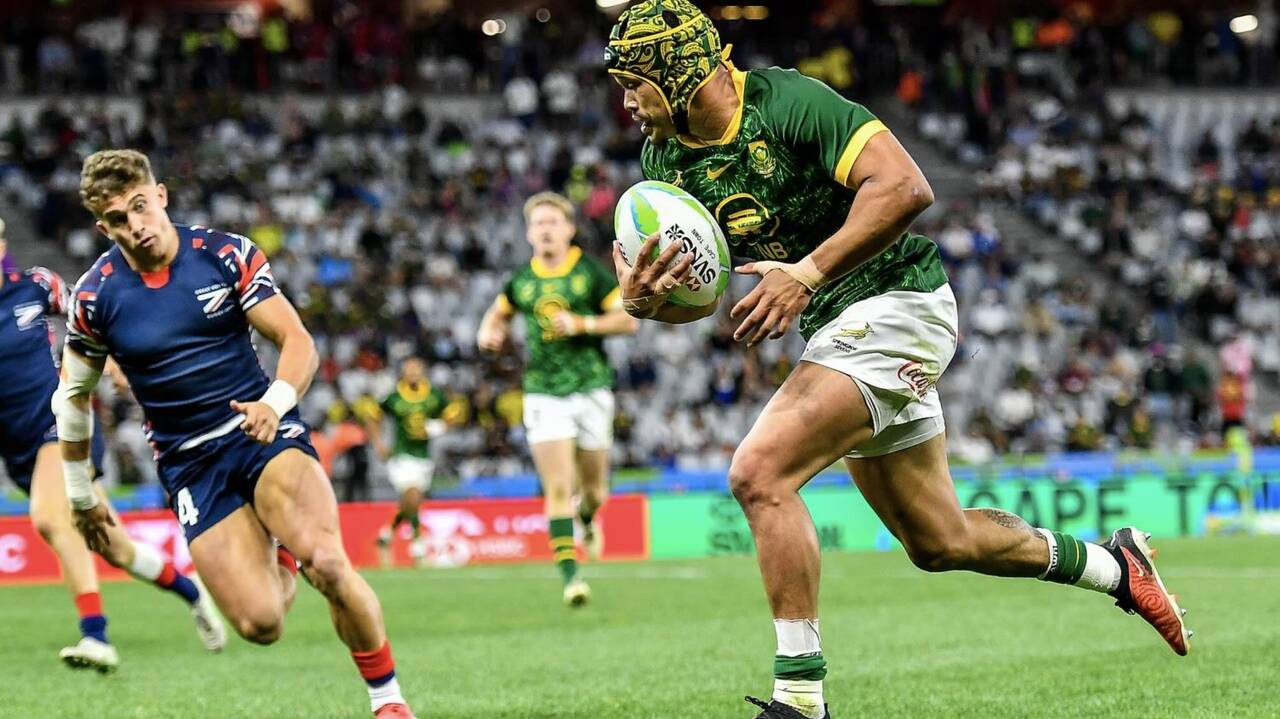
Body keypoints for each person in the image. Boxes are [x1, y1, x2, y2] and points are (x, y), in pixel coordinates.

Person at [605, 2, 1191, 717]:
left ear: (679, 73)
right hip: (837, 329)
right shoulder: (666, 163)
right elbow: (701, 295)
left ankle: (800, 697)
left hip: (899, 301)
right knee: (940, 541)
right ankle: (1115, 567)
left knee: (759, 473)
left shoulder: (787, 102)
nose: (625, 101)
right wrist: (646, 302)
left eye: (634, 83)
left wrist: (807, 273)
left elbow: (907, 187)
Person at [55, 150, 415, 718]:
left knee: (328, 562)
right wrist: (80, 495)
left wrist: (275, 402)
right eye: (119, 219)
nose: (136, 225)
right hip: (190, 464)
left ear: (161, 196)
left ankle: (388, 701)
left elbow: (298, 342)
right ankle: (285, 553)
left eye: (142, 206)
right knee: (260, 623)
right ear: (104, 228)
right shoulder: (96, 296)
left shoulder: (224, 254)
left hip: (261, 431)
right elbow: (72, 399)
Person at [0, 236, 224, 672]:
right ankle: (193, 592)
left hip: (61, 425)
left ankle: (96, 635)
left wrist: (119, 363)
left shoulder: (36, 285)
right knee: (115, 547)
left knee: (51, 518)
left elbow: (91, 320)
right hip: (18, 450)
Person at [476, 192, 637, 606]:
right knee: (558, 486)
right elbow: (498, 314)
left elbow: (627, 320)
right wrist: (487, 332)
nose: (545, 229)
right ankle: (571, 578)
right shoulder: (521, 280)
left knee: (594, 491)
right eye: (538, 223)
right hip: (544, 392)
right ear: (529, 233)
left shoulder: (590, 272)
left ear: (569, 229)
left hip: (591, 387)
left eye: (552, 222)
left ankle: (588, 517)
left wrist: (581, 324)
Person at [367, 357, 454, 566]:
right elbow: (372, 416)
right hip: (401, 455)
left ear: (423, 371)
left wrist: (439, 426)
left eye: (417, 369)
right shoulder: (394, 397)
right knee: (413, 496)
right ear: (403, 373)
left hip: (424, 457)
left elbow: (452, 414)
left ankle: (386, 534)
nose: (413, 373)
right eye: (409, 369)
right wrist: (378, 443)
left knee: (410, 503)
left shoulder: (433, 395)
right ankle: (418, 547)